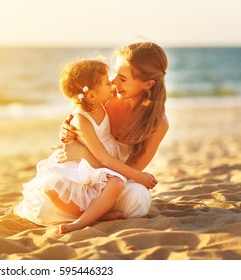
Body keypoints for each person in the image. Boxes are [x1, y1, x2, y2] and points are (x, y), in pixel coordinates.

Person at [14, 59, 157, 234]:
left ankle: (95, 214)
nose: (111, 83)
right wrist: (137, 175)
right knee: (53, 187)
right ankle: (83, 220)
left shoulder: (99, 102)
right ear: (91, 96)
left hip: (102, 161)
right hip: (85, 163)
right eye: (106, 82)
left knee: (117, 185)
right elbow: (102, 158)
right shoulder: (82, 118)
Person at [57, 41, 169, 224]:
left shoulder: (157, 123)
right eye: (115, 74)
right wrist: (67, 128)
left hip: (116, 180)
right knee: (57, 185)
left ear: (148, 84)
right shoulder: (106, 100)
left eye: (123, 79)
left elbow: (132, 171)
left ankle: (91, 212)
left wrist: (85, 154)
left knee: (138, 197)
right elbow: (81, 119)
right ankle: (91, 213)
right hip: (88, 173)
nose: (114, 82)